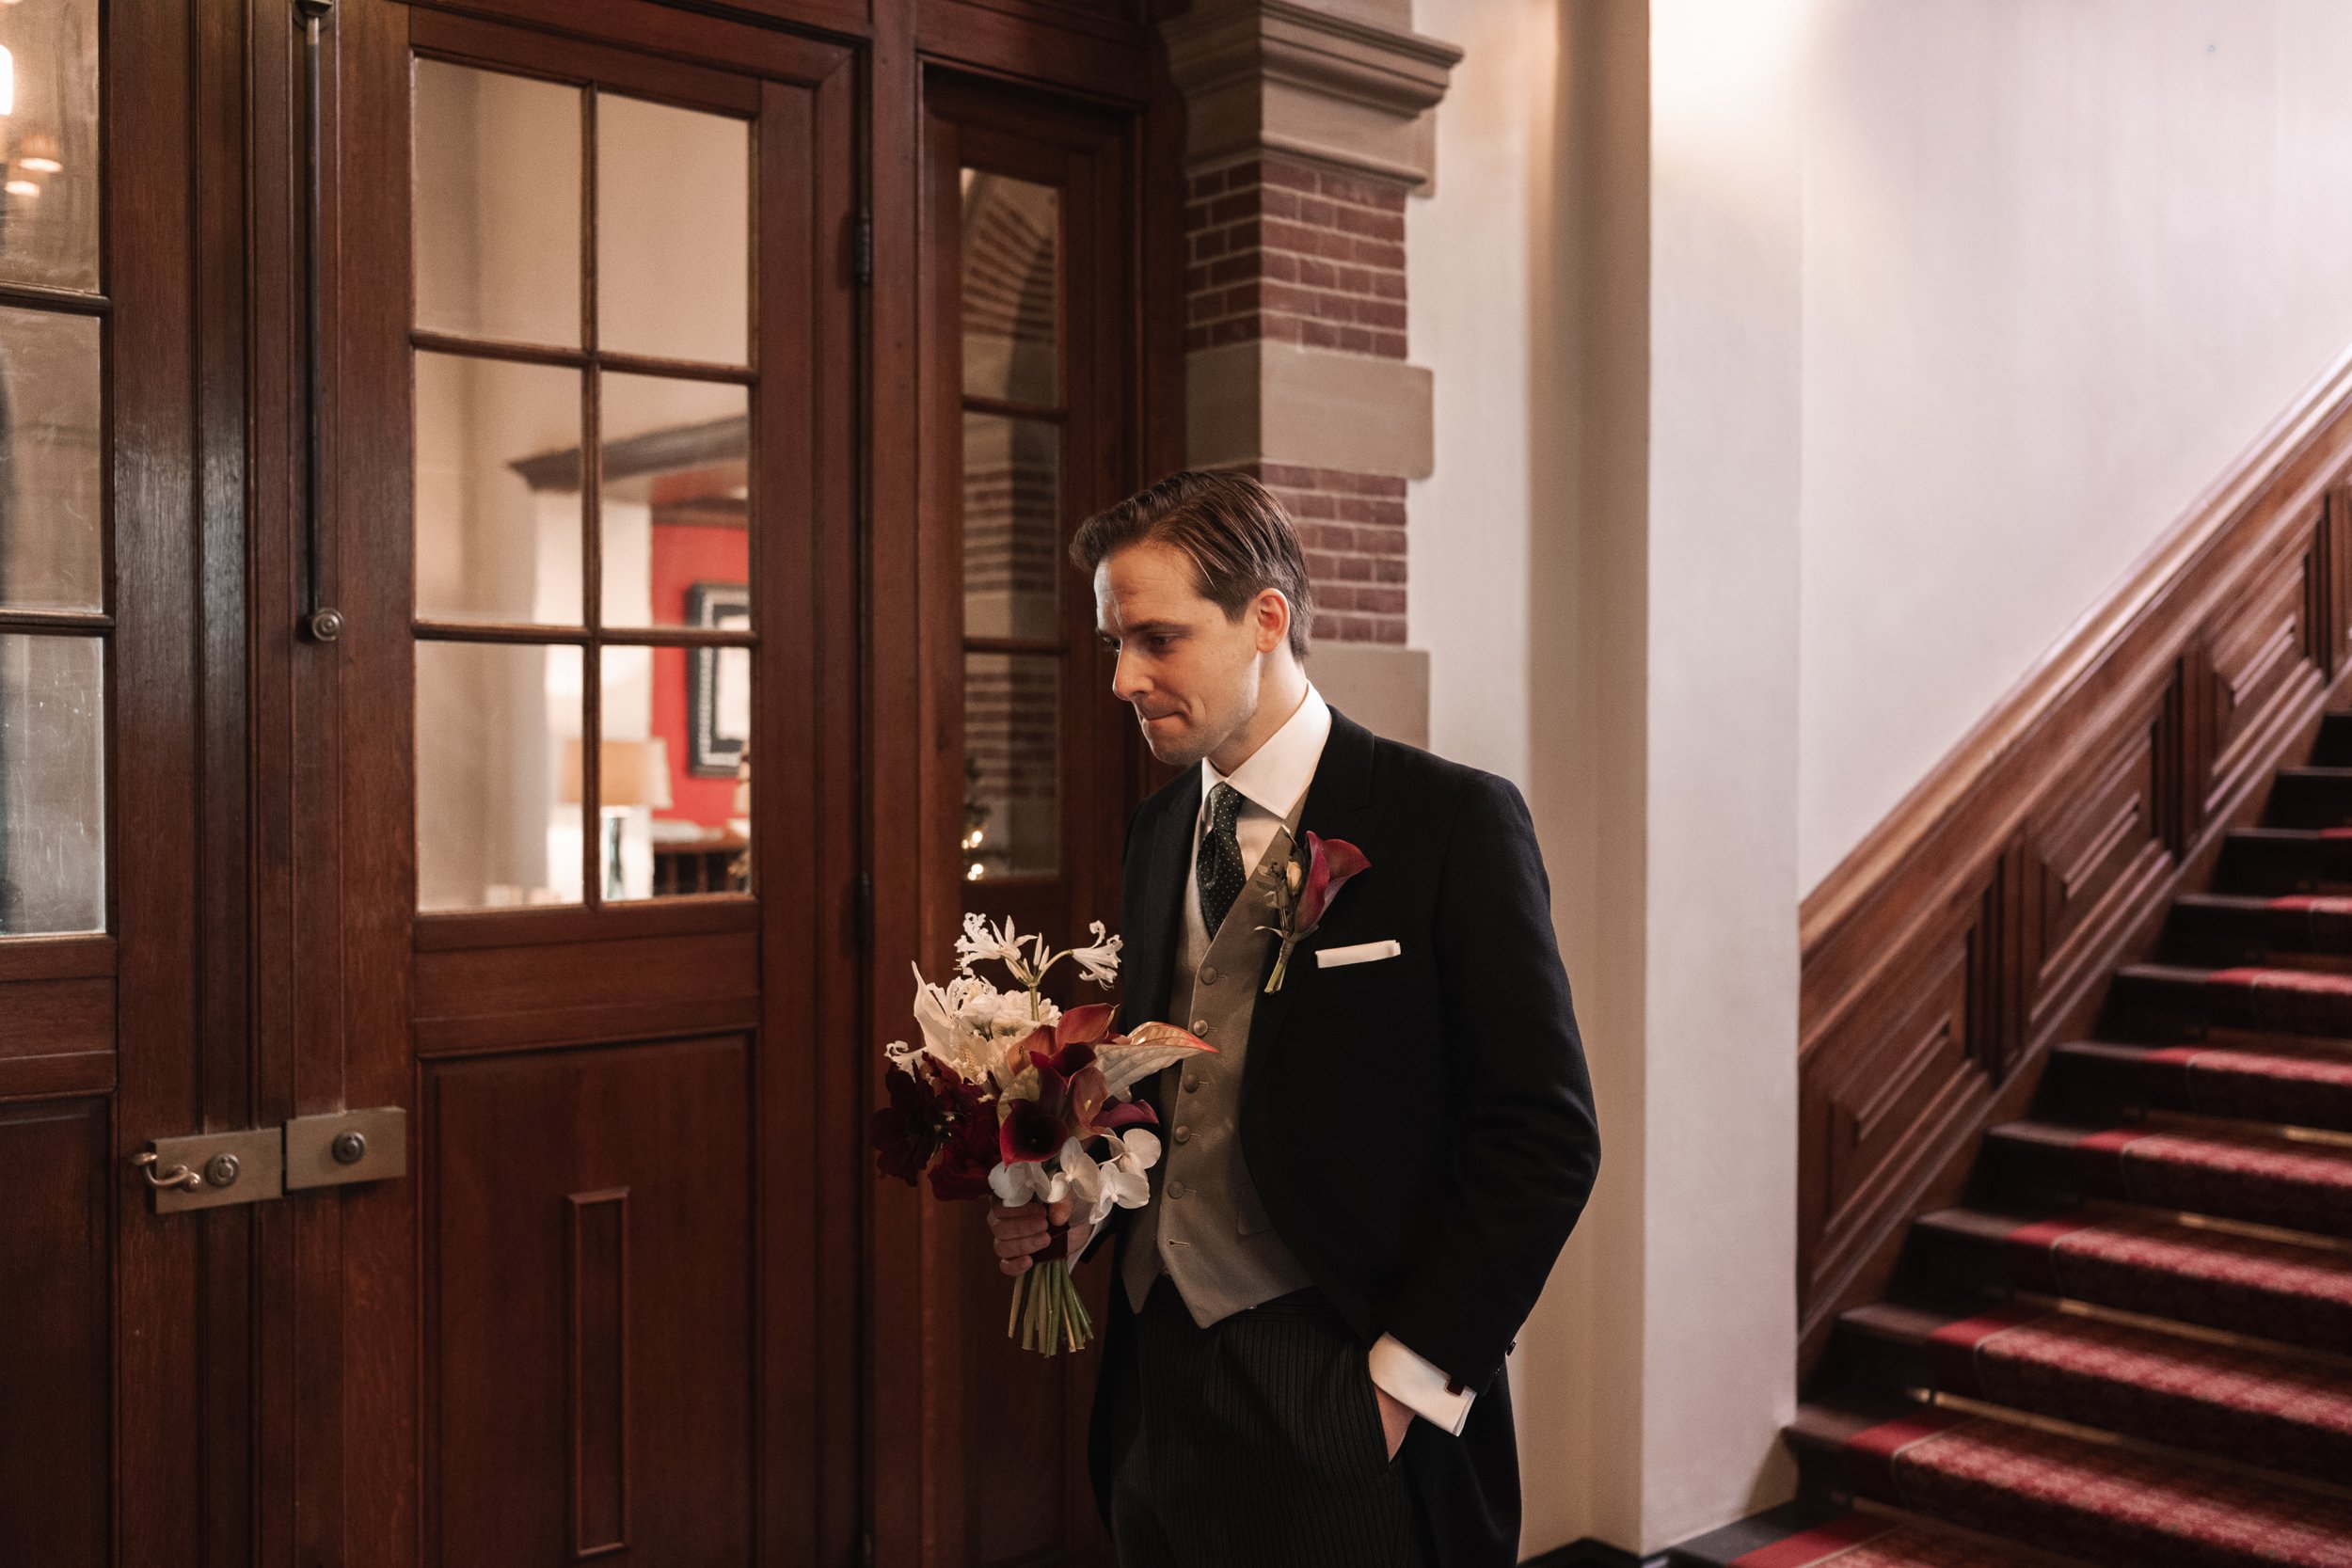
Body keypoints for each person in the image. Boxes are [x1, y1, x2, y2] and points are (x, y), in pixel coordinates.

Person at [987, 470, 1599, 1568]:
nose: (1124, 677)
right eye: (1113, 643)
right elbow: (1173, 1098)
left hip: (1335, 1389)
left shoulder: (1449, 821)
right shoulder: (1156, 831)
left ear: (1265, 617)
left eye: (1158, 639)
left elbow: (1543, 1139)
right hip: (1150, 1386)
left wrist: (1398, 1387)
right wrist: (1075, 1207)